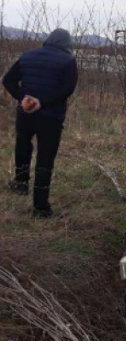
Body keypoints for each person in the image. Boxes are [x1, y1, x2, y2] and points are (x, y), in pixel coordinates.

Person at [2, 28, 78, 217]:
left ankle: (21, 183)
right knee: (45, 159)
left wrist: (23, 98)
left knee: (22, 146)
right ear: (67, 44)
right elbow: (67, 90)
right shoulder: (68, 61)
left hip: (25, 113)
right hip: (51, 118)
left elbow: (8, 80)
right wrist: (42, 102)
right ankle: (40, 207)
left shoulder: (28, 55)